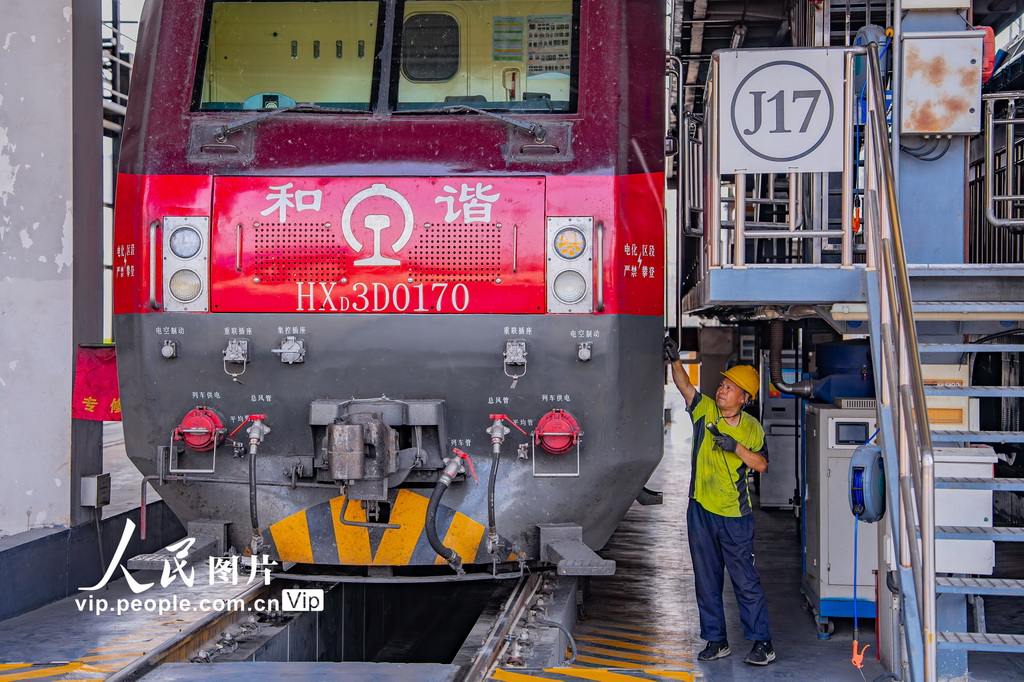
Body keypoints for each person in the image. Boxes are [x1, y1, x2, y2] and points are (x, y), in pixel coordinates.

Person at [664, 337, 775, 666]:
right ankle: (716, 640)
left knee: (745, 580)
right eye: (723, 384)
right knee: (707, 580)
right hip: (700, 510)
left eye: (730, 387)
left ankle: (761, 643)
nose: (722, 389)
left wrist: (735, 447)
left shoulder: (752, 428)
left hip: (734, 515)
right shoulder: (706, 411)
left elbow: (762, 464)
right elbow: (684, 386)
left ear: (744, 398)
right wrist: (675, 360)